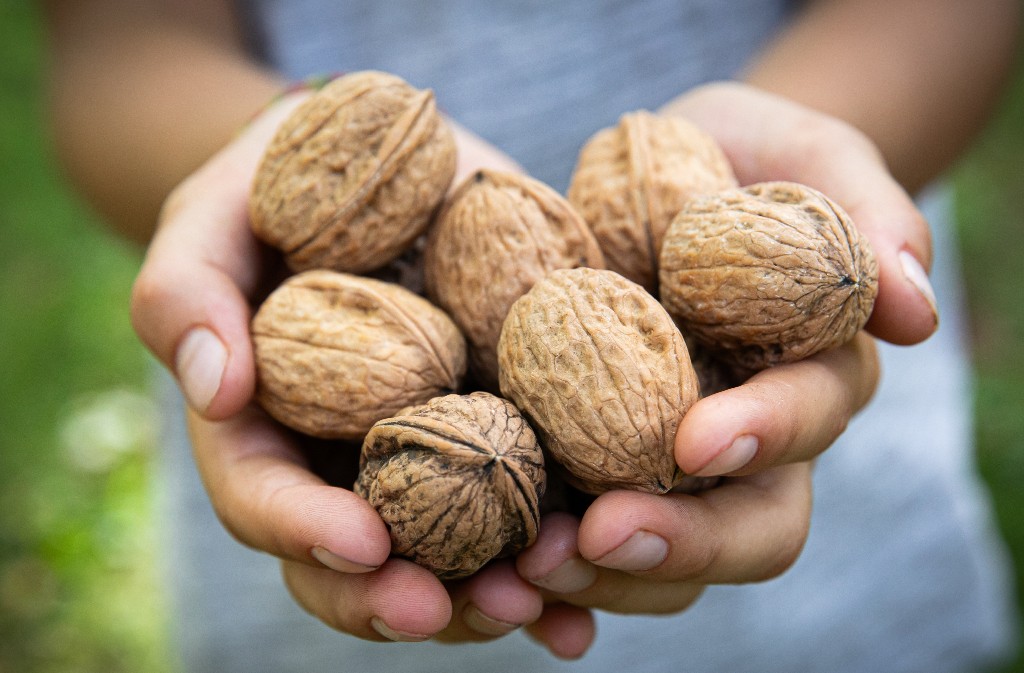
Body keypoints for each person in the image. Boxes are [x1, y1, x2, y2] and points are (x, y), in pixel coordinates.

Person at [42, 0, 1020, 671]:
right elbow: (117, 46)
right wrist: (242, 153)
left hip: (840, 581)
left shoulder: (659, 292)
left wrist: (817, 131)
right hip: (333, 561)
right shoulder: (423, 327)